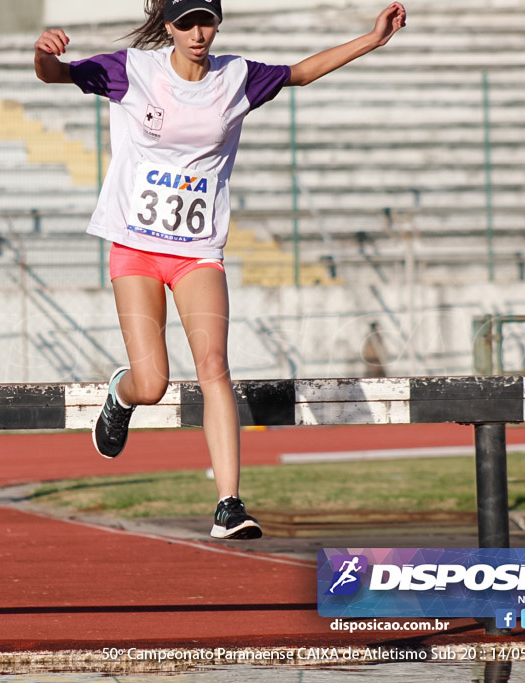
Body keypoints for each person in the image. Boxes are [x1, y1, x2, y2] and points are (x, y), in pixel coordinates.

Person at [34, 0, 406, 539]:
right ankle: (122, 394)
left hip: (198, 249)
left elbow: (300, 73)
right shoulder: (132, 69)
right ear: (169, 26)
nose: (198, 32)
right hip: (135, 246)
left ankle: (229, 503)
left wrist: (371, 40)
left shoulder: (236, 77)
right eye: (186, 22)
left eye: (206, 20)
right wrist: (42, 54)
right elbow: (58, 76)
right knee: (154, 382)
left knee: (213, 366)